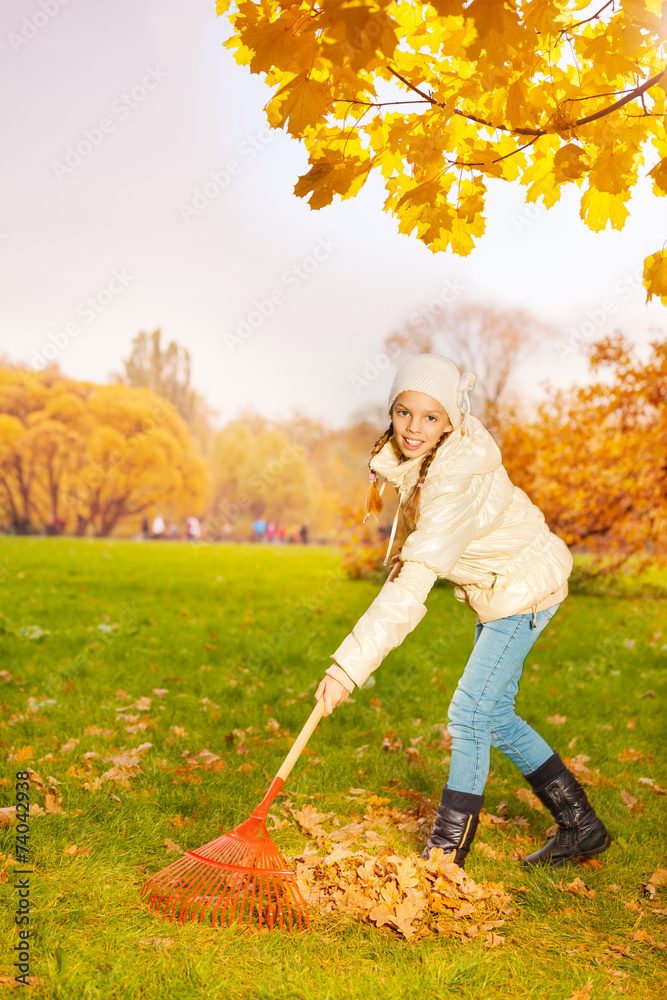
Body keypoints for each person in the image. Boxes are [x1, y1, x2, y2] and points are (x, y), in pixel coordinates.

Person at [315, 354, 610, 870]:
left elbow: (415, 584)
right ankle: (581, 827)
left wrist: (347, 668)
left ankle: (445, 855)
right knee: (495, 714)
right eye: (405, 412)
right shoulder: (425, 457)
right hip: (505, 588)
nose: (414, 428)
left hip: (524, 589)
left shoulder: (455, 478)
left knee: (470, 712)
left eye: (430, 417)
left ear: (451, 419)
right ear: (392, 410)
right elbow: (420, 535)